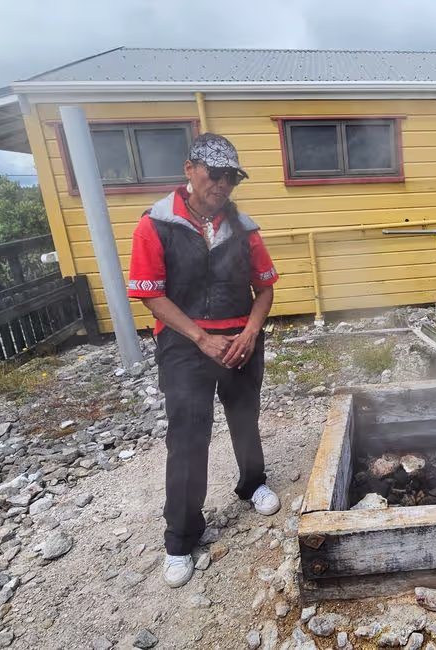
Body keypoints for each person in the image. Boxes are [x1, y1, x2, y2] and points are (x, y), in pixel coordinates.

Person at [127, 133, 280, 589]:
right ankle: (181, 536)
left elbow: (264, 288)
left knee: (245, 417)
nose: (222, 184)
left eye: (231, 177)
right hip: (184, 345)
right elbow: (151, 296)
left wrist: (250, 332)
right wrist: (201, 337)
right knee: (188, 436)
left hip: (240, 341)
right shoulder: (156, 225)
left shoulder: (244, 228)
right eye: (214, 174)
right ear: (190, 170)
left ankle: (252, 483)